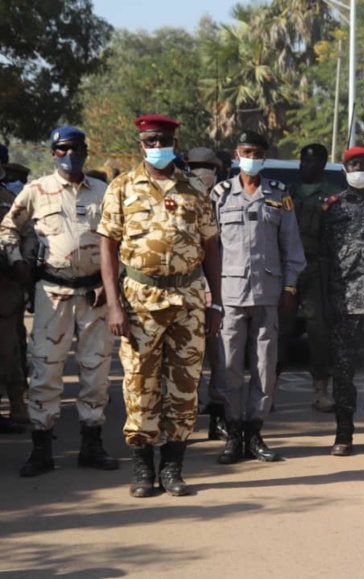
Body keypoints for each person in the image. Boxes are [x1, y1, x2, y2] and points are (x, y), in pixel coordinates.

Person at [98, 115, 222, 497]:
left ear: (174, 143)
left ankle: (172, 468)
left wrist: (216, 303)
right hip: (140, 301)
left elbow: (211, 247)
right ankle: (142, 468)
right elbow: (108, 246)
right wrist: (114, 305)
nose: (157, 146)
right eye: (151, 140)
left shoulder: (195, 189)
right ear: (140, 145)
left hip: (188, 300)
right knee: (139, 384)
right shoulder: (122, 187)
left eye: (164, 140)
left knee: (184, 386)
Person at [0, 127, 118, 476]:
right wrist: (16, 262)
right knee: (46, 370)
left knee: (96, 371)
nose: (70, 155)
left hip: (94, 293)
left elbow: (121, 239)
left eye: (77, 148)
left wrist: (113, 283)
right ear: (53, 153)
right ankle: (42, 447)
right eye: (63, 149)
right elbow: (8, 228)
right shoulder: (37, 191)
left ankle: (92, 443)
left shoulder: (104, 192)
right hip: (52, 292)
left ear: (86, 151)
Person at [210, 131, 305, 465]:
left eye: (258, 153)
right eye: (247, 151)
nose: (252, 157)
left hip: (268, 295)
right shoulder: (220, 195)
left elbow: (292, 246)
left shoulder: (278, 194)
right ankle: (233, 433)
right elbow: (210, 249)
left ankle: (255, 431)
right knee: (229, 367)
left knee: (265, 367)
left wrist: (289, 288)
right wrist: (211, 296)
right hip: (230, 295)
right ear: (237, 154)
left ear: (265, 156)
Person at [323, 146, 364, 456]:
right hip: (343, 303)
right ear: (345, 169)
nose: (360, 169)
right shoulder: (333, 208)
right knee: (343, 374)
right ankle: (343, 434)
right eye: (354, 165)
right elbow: (323, 258)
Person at [284, 143, 342, 412]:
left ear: (322, 163)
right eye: (302, 160)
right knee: (280, 330)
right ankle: (268, 387)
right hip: (288, 268)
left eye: (311, 161)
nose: (305, 165)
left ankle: (320, 390)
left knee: (319, 332)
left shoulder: (333, 194)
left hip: (318, 267)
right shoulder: (289, 191)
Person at [185, 146, 229, 441]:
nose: (201, 172)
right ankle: (186, 417)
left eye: (208, 167)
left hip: (221, 289)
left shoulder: (226, 197)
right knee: (188, 357)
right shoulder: (180, 197)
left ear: (217, 171)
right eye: (194, 166)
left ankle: (218, 417)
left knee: (220, 358)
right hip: (187, 289)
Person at [0, 163, 28, 434]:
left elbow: (25, 236)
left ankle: (18, 404)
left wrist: (20, 265)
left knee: (9, 350)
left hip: (5, 288)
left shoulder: (8, 200)